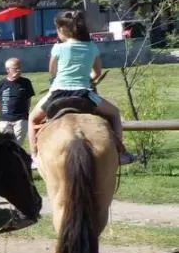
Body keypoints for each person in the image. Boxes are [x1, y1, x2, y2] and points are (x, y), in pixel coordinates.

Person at [28, 10, 136, 168]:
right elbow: (97, 72)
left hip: (57, 92)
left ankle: (35, 157)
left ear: (62, 30)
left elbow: (52, 71)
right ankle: (119, 152)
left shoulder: (58, 48)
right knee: (114, 113)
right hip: (85, 93)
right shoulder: (92, 47)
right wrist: (90, 78)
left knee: (32, 119)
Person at [0, 58, 35, 145]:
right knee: (5, 145)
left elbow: (28, 100)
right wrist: (4, 114)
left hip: (21, 120)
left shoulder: (26, 82)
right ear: (8, 70)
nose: (19, 70)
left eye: (19, 67)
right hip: (4, 120)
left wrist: (24, 115)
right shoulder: (0, 84)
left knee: (16, 146)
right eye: (15, 68)